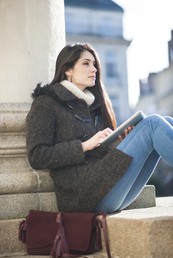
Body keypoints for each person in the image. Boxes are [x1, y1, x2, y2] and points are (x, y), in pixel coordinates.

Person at [26, 43, 173, 213]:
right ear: (68, 70)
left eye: (94, 64)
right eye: (86, 63)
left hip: (107, 186)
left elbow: (102, 155)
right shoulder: (46, 102)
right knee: (153, 124)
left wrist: (121, 141)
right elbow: (37, 156)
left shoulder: (95, 106)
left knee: (166, 121)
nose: (94, 68)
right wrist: (84, 146)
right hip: (84, 197)